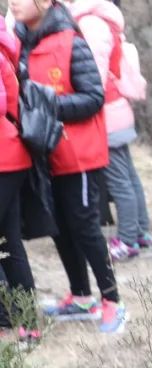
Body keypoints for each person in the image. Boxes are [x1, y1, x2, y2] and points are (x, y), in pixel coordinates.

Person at [11, 0, 125, 333]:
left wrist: (46, 105)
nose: (13, 3)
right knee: (59, 225)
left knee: (85, 227)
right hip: (44, 155)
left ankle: (112, 301)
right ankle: (80, 296)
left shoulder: (71, 40)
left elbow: (93, 97)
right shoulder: (18, 42)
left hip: (79, 155)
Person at [68, 0, 152, 263]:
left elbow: (94, 74)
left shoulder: (91, 23)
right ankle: (140, 231)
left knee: (119, 179)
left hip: (107, 113)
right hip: (116, 108)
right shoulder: (102, 20)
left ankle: (127, 240)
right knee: (128, 175)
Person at [0, 20, 37, 341]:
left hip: (4, 157)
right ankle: (25, 323)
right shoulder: (5, 46)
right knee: (8, 242)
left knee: (8, 243)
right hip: (10, 151)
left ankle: (10, 320)